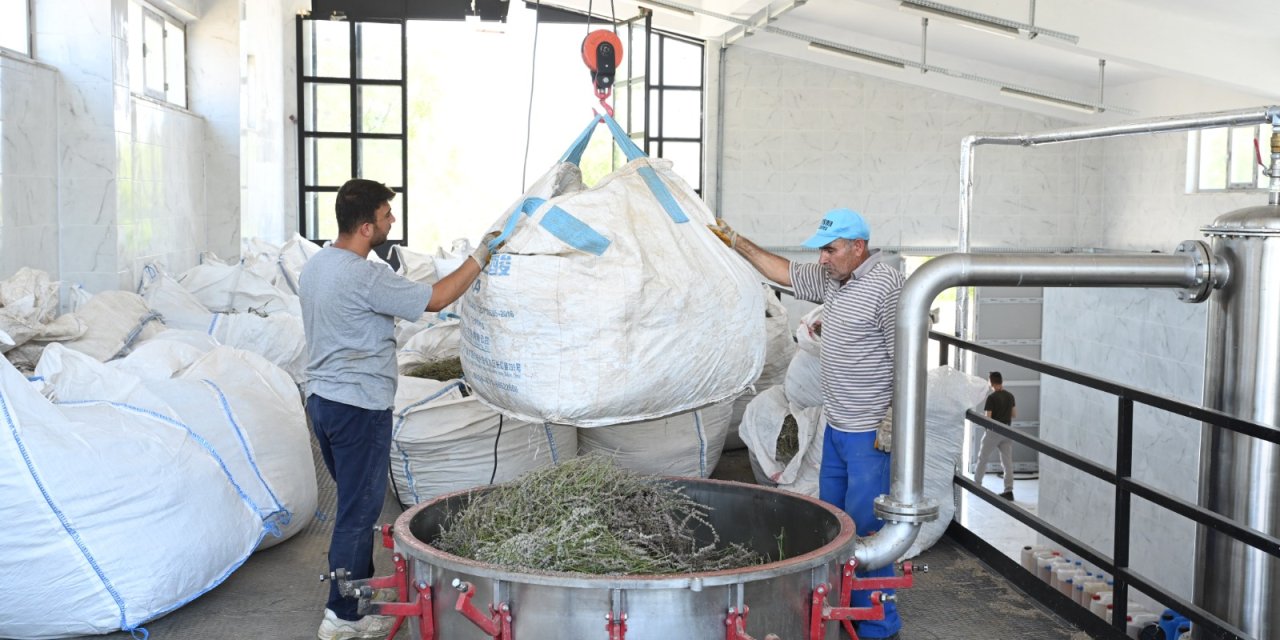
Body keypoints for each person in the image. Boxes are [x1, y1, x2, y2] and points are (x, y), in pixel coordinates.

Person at [300, 178, 498, 640]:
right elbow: (437, 298)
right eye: (388, 216)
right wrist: (481, 257)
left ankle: (356, 598)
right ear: (367, 226)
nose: (393, 222)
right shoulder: (364, 276)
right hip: (359, 407)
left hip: (323, 403)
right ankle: (342, 617)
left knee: (354, 505)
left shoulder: (318, 266)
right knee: (357, 513)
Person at [709, 208, 903, 640]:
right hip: (837, 427)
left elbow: (906, 355)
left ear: (858, 247)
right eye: (821, 250)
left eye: (831, 250)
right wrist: (736, 241)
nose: (823, 259)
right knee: (833, 522)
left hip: (869, 434)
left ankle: (877, 628)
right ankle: (836, 613)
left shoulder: (886, 286)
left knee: (867, 531)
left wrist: (894, 417)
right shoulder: (835, 279)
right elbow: (787, 272)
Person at [976, 371, 1017, 500]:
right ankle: (1009, 491)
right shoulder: (1010, 396)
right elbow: (1014, 414)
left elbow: (988, 417)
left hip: (994, 431)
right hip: (1007, 430)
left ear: (991, 382)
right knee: (1007, 462)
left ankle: (977, 485)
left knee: (983, 458)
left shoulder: (991, 398)